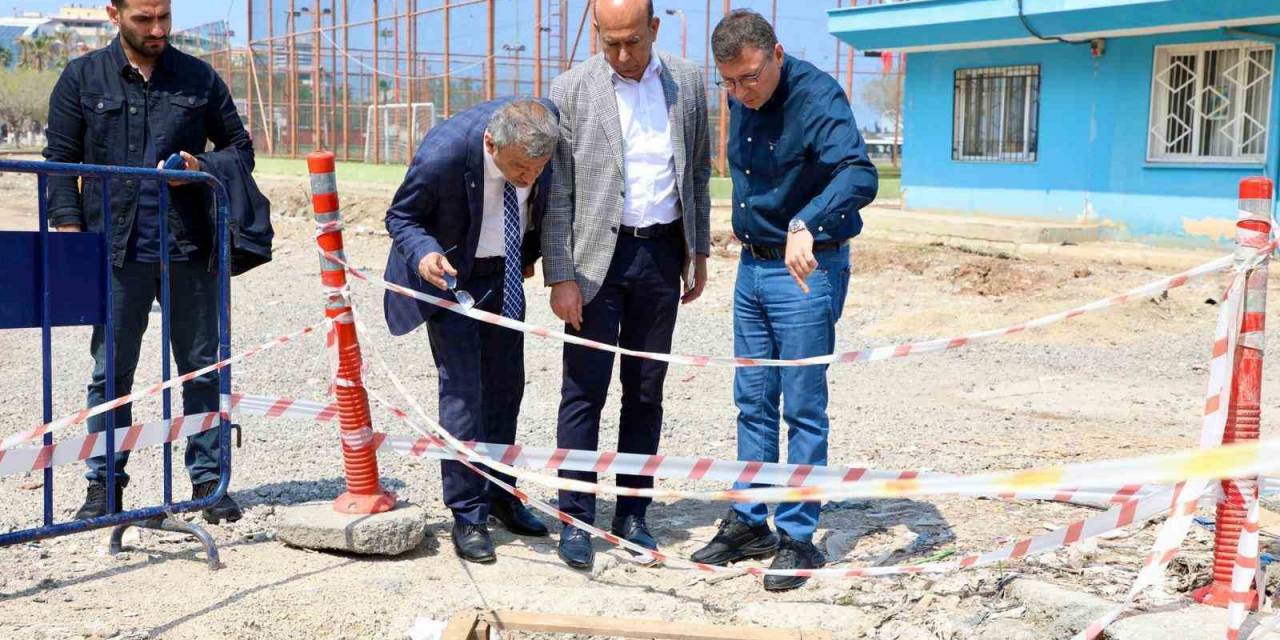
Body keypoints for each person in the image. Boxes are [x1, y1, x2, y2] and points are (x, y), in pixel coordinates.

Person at [42, 0, 255, 524]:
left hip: (188, 247)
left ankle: (209, 481)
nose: (157, 29)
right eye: (144, 19)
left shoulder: (198, 77)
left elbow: (241, 149)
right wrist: (70, 237)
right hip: (115, 250)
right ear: (114, 14)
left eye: (164, 18)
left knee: (202, 367)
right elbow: (58, 161)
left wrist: (198, 165)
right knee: (110, 371)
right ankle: (104, 486)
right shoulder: (81, 77)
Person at [690, 9, 878, 591]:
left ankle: (798, 537)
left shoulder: (817, 95)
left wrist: (808, 221)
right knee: (751, 401)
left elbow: (858, 173)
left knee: (801, 406)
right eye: (729, 83)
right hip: (752, 269)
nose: (741, 93)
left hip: (805, 270)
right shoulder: (737, 95)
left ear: (775, 52)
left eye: (750, 78)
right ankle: (750, 522)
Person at [543, 0, 711, 571]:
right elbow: (557, 193)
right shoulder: (569, 90)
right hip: (595, 265)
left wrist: (699, 250)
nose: (621, 54)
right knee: (582, 391)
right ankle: (574, 515)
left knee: (644, 389)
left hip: (661, 255)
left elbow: (698, 173)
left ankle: (633, 515)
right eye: (610, 42)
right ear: (596, 33)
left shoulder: (687, 82)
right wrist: (561, 275)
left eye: (633, 41)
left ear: (654, 29)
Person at [383, 98, 559, 564]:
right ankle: (468, 512)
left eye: (537, 169)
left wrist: (532, 257)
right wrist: (423, 253)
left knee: (507, 387)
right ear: (490, 144)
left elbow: (541, 196)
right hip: (450, 273)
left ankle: (502, 494)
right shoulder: (445, 151)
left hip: (506, 274)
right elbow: (400, 216)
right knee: (463, 393)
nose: (528, 179)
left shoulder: (541, 133)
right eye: (520, 169)